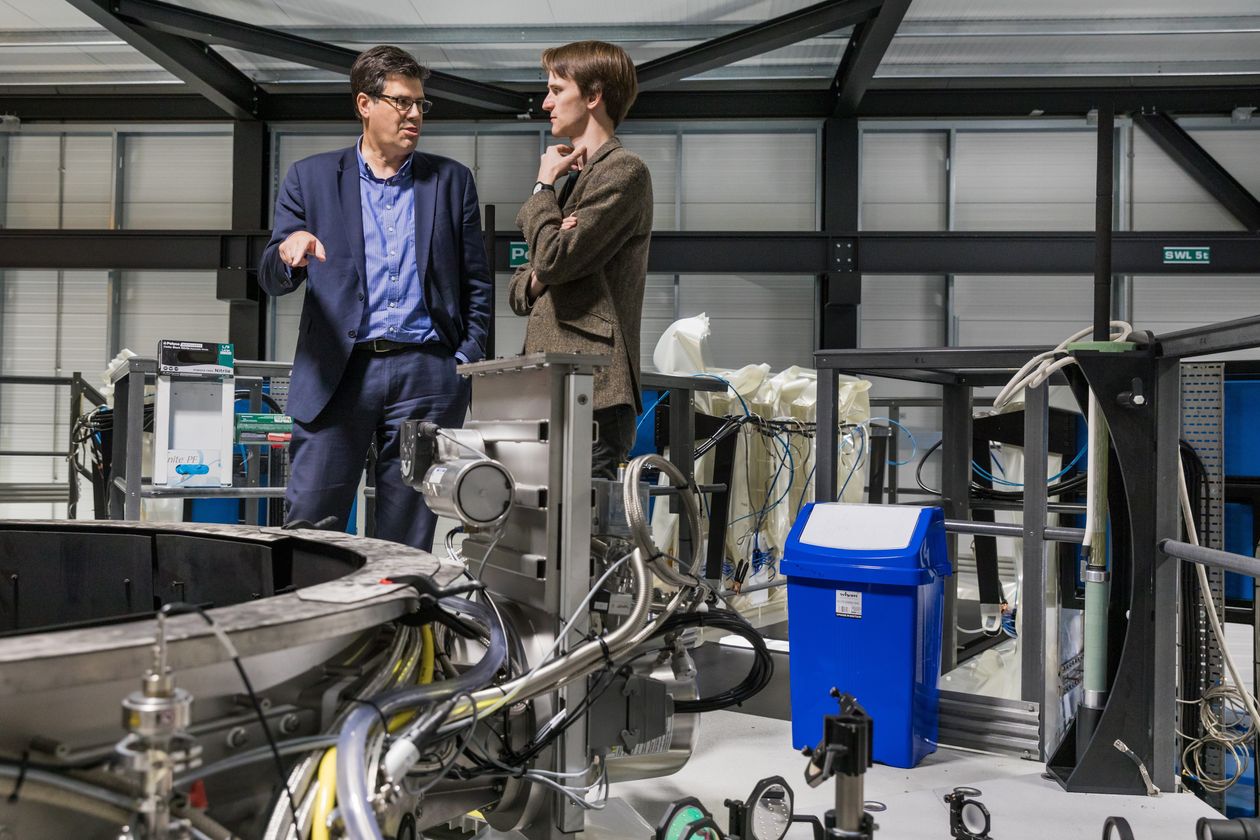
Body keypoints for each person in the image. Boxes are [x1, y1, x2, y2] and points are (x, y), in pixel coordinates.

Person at [259, 45, 491, 550]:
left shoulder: (452, 182)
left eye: (421, 104)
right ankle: (320, 627)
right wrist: (286, 254)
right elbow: (270, 278)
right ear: (365, 104)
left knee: (406, 536)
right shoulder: (311, 178)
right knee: (311, 528)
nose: (414, 115)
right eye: (402, 102)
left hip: (426, 378)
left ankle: (393, 631)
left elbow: (477, 281)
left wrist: (465, 357)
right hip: (337, 375)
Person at [508, 41, 653, 479]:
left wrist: (541, 188)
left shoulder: (623, 172)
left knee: (587, 539)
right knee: (543, 534)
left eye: (556, 89)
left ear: (593, 97)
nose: (546, 102)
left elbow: (552, 261)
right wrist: (543, 263)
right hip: (554, 384)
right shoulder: (574, 183)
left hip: (595, 390)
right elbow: (519, 290)